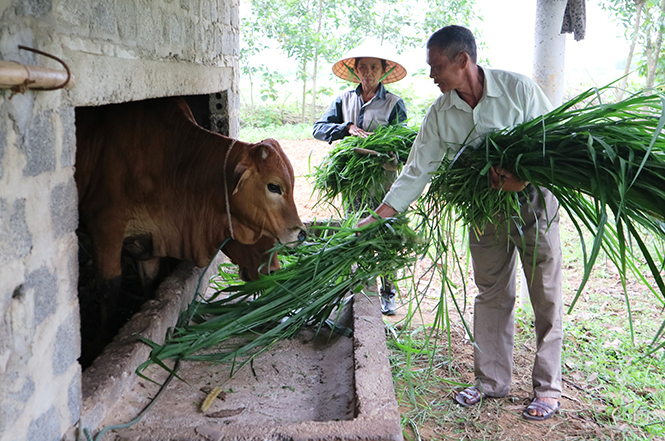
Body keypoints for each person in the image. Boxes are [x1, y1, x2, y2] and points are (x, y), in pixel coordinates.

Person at [357, 25, 563, 421]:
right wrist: (378, 216)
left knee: (546, 294)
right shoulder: (441, 112)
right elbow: (417, 170)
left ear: (462, 61)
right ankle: (491, 382)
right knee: (491, 293)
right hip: (484, 210)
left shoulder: (518, 90)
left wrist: (526, 178)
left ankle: (548, 389)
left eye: (437, 67)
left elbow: (554, 142)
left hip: (534, 202)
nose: (432, 75)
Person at [313, 44, 408, 316]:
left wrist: (384, 150)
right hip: (353, 182)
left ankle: (387, 293)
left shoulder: (393, 103)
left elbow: (401, 143)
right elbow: (319, 129)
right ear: (356, 70)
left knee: (385, 234)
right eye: (363, 67)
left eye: (374, 67)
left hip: (383, 181)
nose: (368, 73)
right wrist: (347, 128)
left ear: (383, 71)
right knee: (356, 230)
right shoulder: (343, 100)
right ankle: (361, 288)